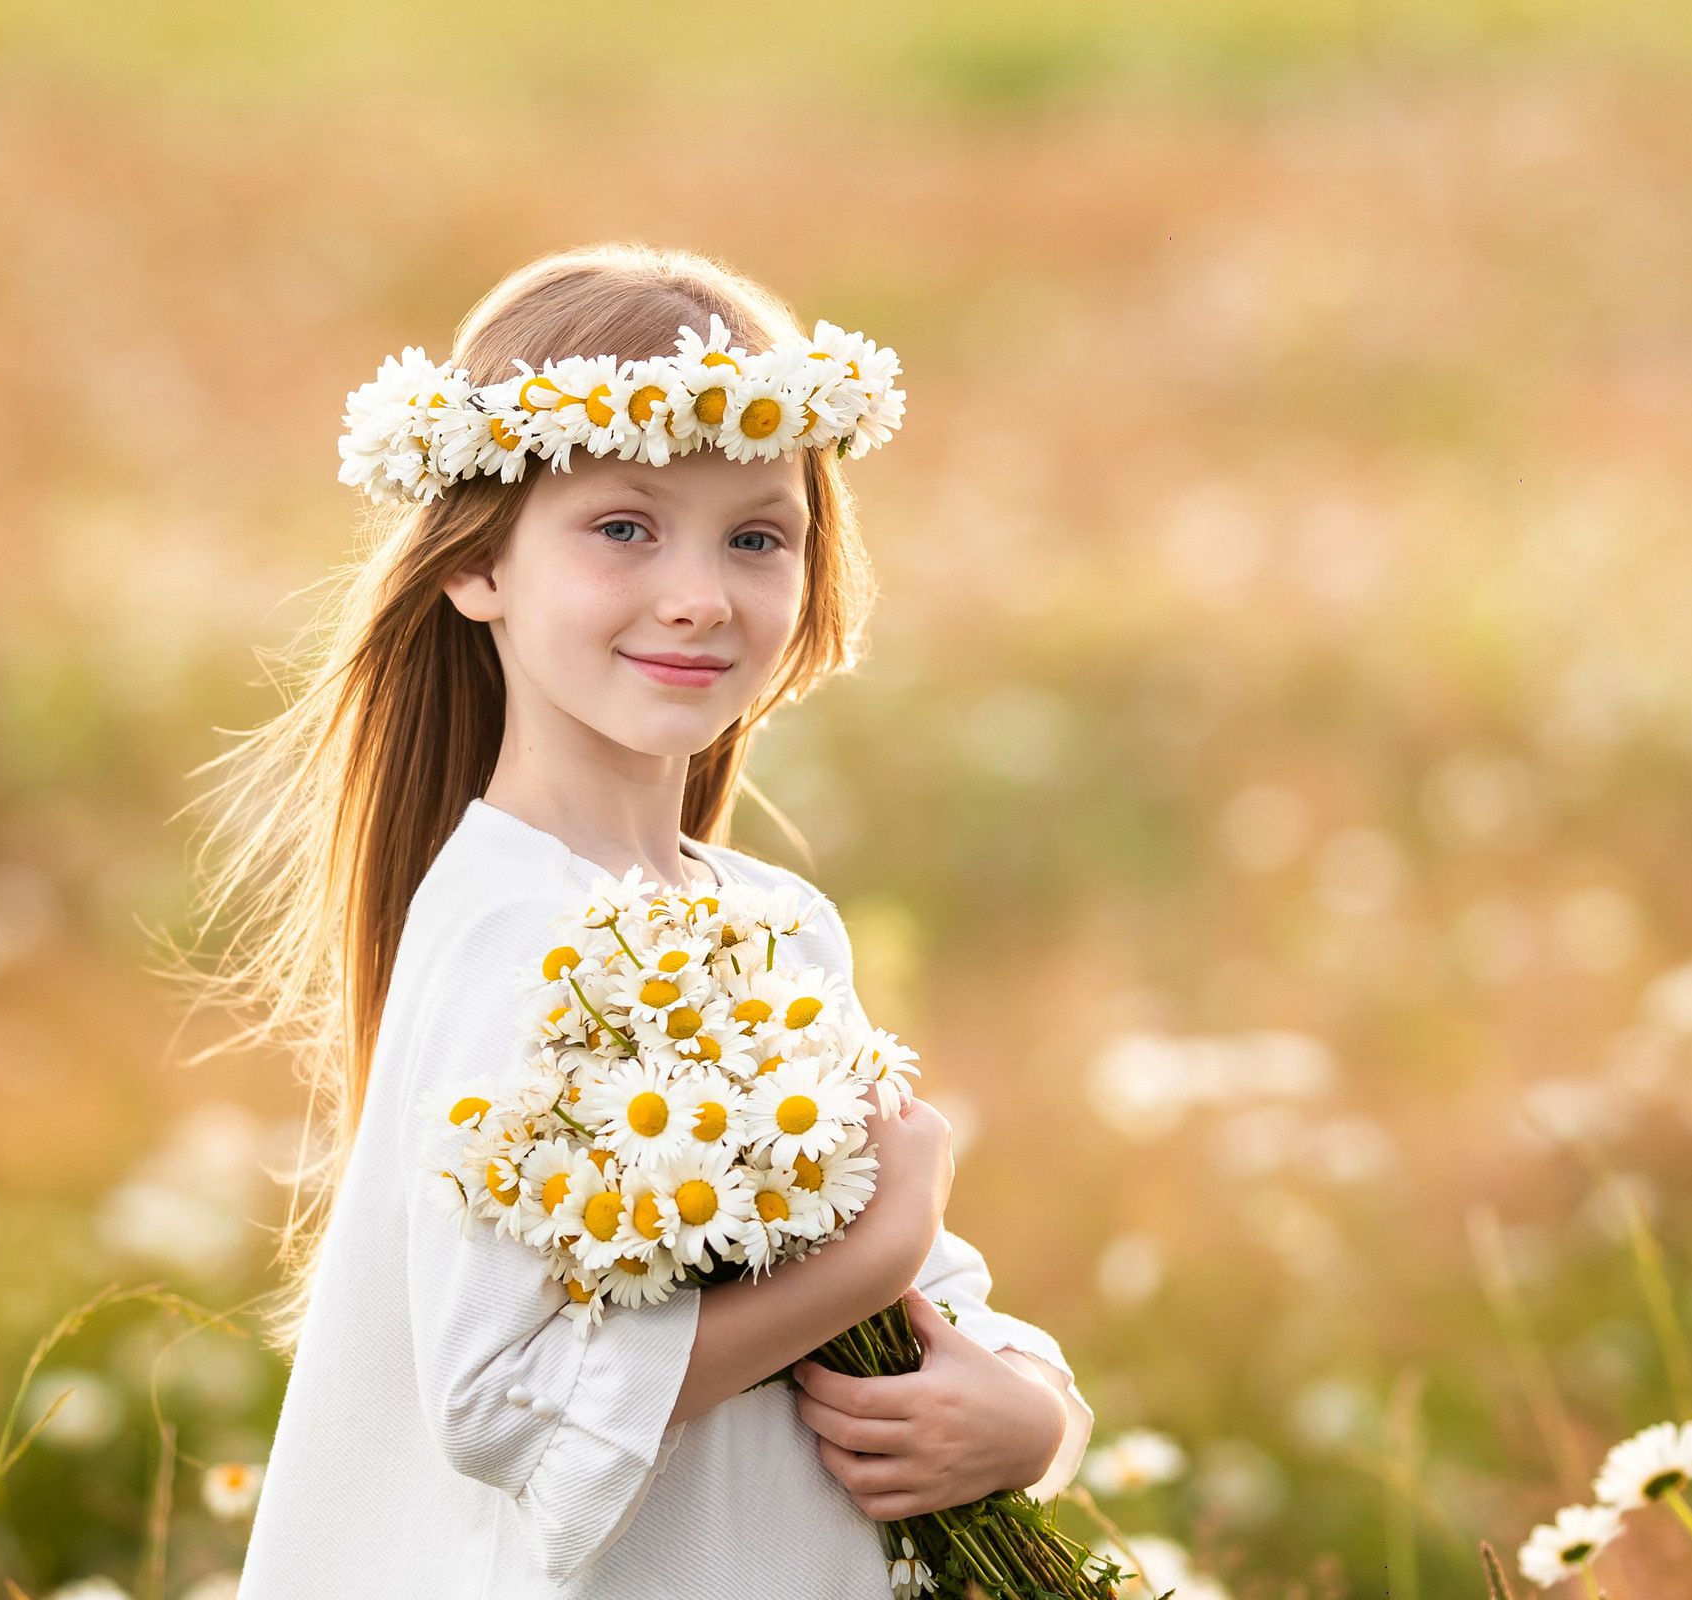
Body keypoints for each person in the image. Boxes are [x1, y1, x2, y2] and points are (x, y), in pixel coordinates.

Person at [190, 244, 1092, 1597]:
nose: (698, 594)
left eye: (756, 536)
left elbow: (926, 1303)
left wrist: (1032, 1415)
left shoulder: (775, 921)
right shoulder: (508, 929)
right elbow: (500, 1400)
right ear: (478, 564)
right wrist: (874, 1256)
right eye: (624, 527)